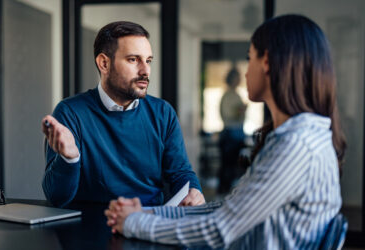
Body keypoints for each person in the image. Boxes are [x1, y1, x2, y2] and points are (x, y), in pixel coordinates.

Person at [104, 14, 347, 249]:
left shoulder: (296, 145)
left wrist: (135, 222)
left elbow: (219, 230)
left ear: (266, 63)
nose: (245, 71)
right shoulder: (293, 137)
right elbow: (228, 208)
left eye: (249, 57)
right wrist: (146, 212)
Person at [41, 21, 204, 208]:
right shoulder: (70, 113)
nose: (145, 71)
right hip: (91, 228)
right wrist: (70, 159)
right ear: (104, 63)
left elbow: (180, 173)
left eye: (148, 60)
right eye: (133, 60)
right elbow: (56, 197)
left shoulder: (163, 113)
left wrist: (194, 190)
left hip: (149, 225)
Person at [217, 67, 247, 194]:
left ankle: (227, 191)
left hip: (237, 134)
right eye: (237, 77)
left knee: (233, 166)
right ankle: (223, 192)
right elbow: (228, 116)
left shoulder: (235, 94)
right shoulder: (228, 96)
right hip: (230, 134)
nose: (240, 79)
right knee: (227, 166)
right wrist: (240, 111)